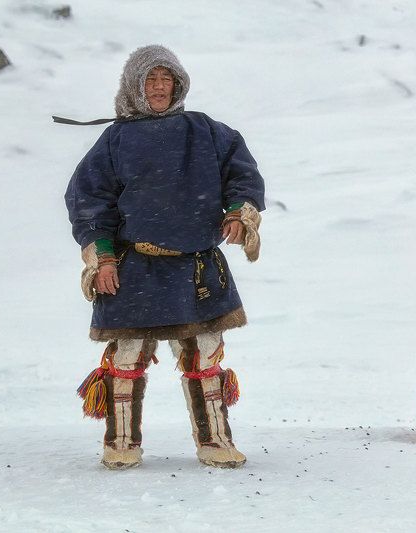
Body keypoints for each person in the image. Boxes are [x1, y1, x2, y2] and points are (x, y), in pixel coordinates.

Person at [65, 44, 265, 470]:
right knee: (126, 357)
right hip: (133, 267)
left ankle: (215, 442)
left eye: (166, 79)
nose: (159, 88)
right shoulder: (116, 138)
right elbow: (89, 200)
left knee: (205, 355)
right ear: (135, 86)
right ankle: (121, 443)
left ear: (178, 84)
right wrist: (102, 258)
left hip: (196, 268)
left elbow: (241, 173)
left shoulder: (206, 130)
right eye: (150, 80)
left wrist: (237, 212)